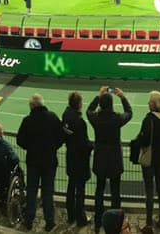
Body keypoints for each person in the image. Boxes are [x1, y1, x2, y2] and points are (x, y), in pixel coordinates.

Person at [16, 94, 64, 231]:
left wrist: (29, 147)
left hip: (33, 162)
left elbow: (20, 140)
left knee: (31, 191)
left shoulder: (27, 120)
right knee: (48, 193)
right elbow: (61, 137)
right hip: (50, 161)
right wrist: (53, 147)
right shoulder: (53, 117)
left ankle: (29, 220)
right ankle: (49, 222)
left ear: (32, 106)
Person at [87, 86, 133, 231]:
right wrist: (123, 97)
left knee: (99, 190)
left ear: (101, 103)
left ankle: (98, 221)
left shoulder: (96, 118)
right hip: (114, 159)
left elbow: (89, 111)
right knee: (115, 191)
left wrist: (98, 95)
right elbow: (129, 113)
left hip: (100, 158)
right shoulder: (117, 118)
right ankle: (116, 222)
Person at [136, 91, 160, 230]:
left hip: (150, 157)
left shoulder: (149, 120)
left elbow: (143, 139)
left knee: (149, 189)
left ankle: (149, 222)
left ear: (153, 104)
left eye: (149, 102)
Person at [62, 92, 93, 228]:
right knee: (80, 189)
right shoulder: (80, 122)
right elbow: (83, 143)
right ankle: (81, 219)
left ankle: (70, 216)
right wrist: (92, 146)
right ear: (79, 103)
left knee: (71, 186)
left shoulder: (65, 116)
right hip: (80, 159)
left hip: (70, 156)